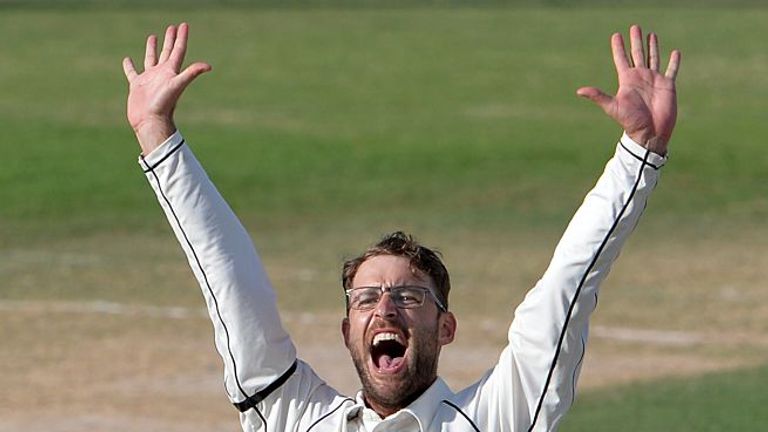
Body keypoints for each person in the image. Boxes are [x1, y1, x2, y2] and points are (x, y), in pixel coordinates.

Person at [122, 23, 680, 431]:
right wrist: (157, 135)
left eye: (410, 297)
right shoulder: (292, 415)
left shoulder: (496, 418)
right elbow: (230, 283)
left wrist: (638, 156)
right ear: (346, 333)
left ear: (446, 327)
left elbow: (566, 290)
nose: (384, 309)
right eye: (365, 298)